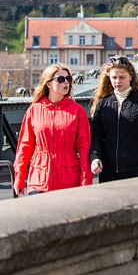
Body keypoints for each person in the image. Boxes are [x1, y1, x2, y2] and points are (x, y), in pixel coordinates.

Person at [13, 64, 93, 194]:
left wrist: (86, 181)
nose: (66, 82)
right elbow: (24, 146)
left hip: (69, 181)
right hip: (39, 180)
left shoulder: (77, 111)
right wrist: (19, 178)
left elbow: (85, 148)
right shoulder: (34, 110)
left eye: (68, 79)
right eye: (60, 79)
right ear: (48, 84)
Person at [89, 56, 138, 181]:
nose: (117, 81)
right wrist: (95, 158)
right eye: (114, 77)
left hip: (136, 171)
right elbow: (96, 136)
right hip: (108, 171)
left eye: (122, 77)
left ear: (131, 76)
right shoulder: (103, 104)